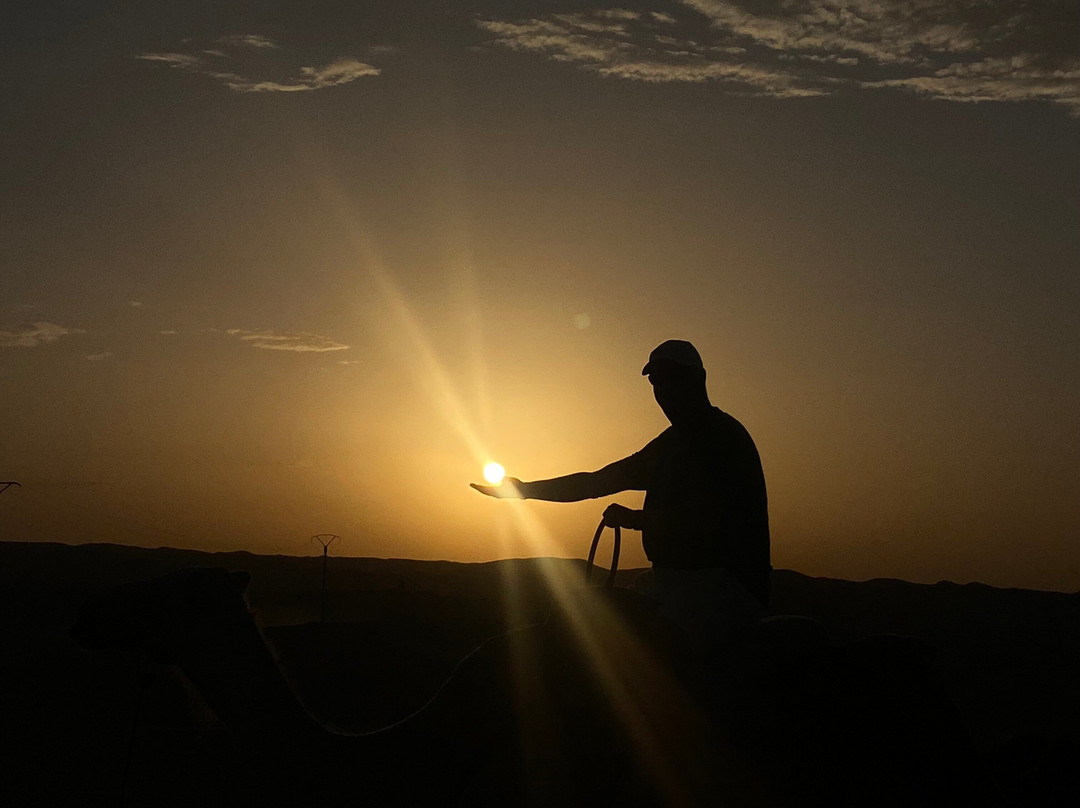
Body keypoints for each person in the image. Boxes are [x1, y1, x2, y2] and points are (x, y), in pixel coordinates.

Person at [472, 339, 771, 649]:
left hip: (724, 587)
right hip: (672, 584)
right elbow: (594, 483)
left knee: (651, 648)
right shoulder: (666, 447)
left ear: (699, 379)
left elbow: (708, 518)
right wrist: (524, 490)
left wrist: (636, 519)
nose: (663, 390)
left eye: (671, 378)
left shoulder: (724, 438)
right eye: (656, 381)